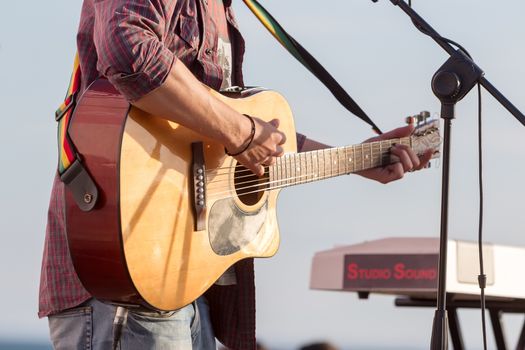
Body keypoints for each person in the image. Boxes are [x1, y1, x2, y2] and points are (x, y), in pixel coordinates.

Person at [39, 1, 433, 349]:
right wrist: (242, 133)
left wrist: (357, 160)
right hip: (124, 278)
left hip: (188, 284)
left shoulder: (222, 10)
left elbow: (224, 132)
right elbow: (127, 49)